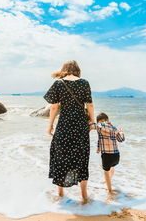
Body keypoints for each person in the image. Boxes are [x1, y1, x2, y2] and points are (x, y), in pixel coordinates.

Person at [43, 60, 94, 203]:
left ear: (64, 69)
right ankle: (84, 195)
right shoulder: (84, 82)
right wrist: (92, 122)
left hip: (64, 126)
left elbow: (54, 107)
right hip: (80, 127)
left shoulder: (59, 83)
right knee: (82, 158)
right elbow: (89, 104)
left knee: (60, 156)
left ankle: (60, 193)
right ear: (77, 69)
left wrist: (50, 125)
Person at [90, 112, 125, 195]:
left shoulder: (99, 126)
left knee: (105, 171)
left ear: (99, 121)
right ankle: (109, 179)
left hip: (106, 155)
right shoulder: (114, 128)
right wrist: (121, 132)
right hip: (116, 155)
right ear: (108, 120)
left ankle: (109, 191)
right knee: (112, 167)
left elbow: (92, 126)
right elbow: (121, 140)